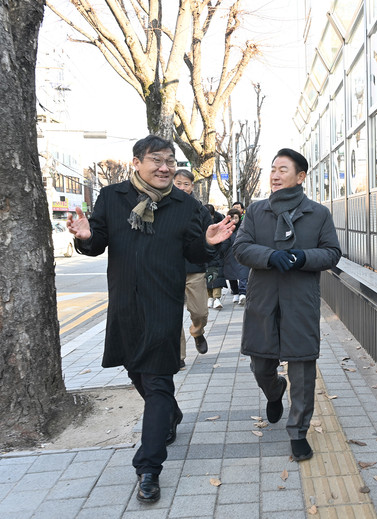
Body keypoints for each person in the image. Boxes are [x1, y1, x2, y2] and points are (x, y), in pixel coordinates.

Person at [66, 135, 234, 503]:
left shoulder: (186, 205)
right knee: (136, 373)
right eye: (156, 160)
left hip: (163, 306)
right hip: (125, 305)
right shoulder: (112, 197)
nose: (164, 167)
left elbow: (194, 252)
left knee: (158, 382)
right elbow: (96, 244)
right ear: (137, 163)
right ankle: (170, 414)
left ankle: (148, 468)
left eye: (170, 161)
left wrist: (208, 241)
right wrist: (85, 237)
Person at [234, 148, 341, 461]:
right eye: (273, 169)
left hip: (300, 303)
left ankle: (298, 432)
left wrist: (303, 257)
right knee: (260, 365)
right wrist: (270, 256)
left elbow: (332, 253)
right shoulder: (256, 211)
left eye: (283, 169)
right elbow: (241, 247)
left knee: (303, 371)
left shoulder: (318, 214)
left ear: (300, 176)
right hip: (263, 300)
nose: (275, 175)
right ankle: (274, 390)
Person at [173, 169, 210, 368]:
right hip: (170, 269)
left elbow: (209, 239)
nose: (182, 187)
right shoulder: (161, 207)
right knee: (173, 315)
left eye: (186, 184)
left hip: (195, 269)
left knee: (200, 312)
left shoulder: (200, 210)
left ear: (192, 187)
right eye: (178, 183)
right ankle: (178, 355)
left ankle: (197, 332)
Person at [223, 208, 249, 305]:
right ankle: (235, 292)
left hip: (242, 253)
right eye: (232, 218)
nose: (234, 220)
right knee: (231, 274)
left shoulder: (244, 227)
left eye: (236, 218)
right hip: (229, 254)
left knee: (243, 273)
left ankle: (243, 292)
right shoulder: (225, 228)